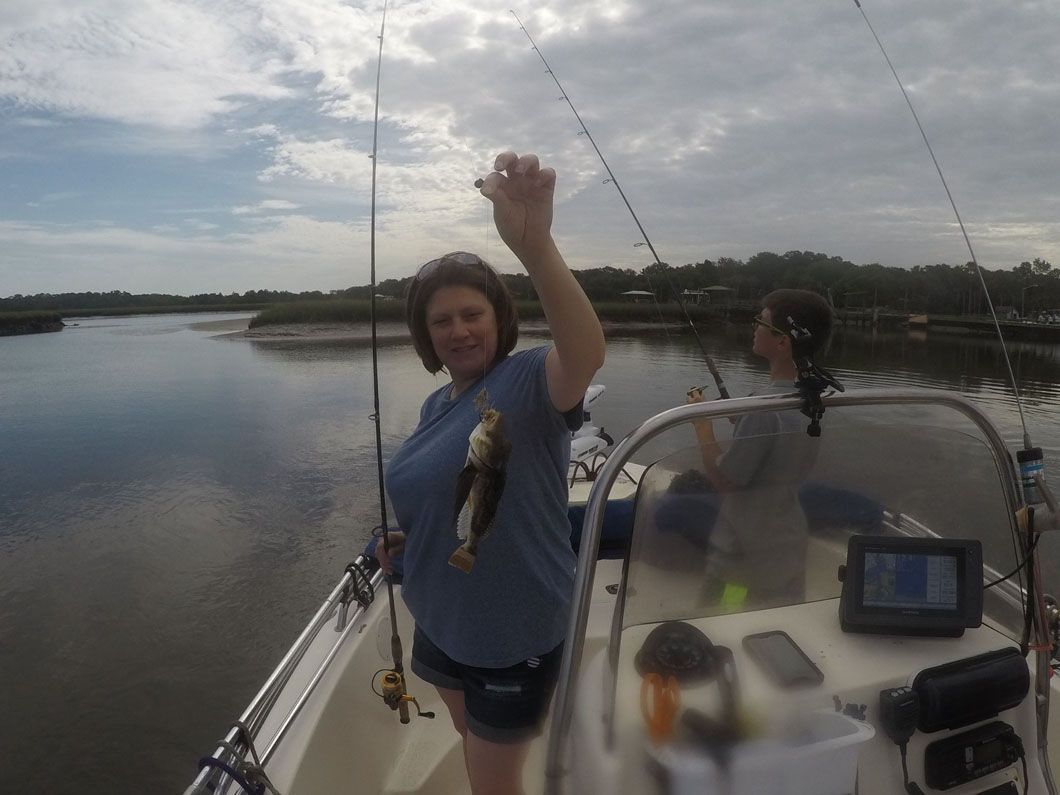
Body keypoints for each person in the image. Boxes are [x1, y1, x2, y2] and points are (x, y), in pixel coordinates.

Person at [377, 151, 605, 795]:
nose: (459, 330)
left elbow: (585, 353)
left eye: (471, 314)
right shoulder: (436, 404)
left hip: (512, 633)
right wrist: (415, 537)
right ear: (426, 335)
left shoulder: (530, 380)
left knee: (493, 781)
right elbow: (451, 491)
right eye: (441, 321)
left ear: (498, 319)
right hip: (440, 618)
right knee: (469, 736)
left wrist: (536, 247)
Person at [685, 289, 833, 610]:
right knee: (778, 626)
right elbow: (781, 445)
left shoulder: (763, 410)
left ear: (782, 342)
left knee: (723, 628)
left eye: (761, 321)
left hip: (742, 566)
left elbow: (725, 481)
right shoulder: (815, 400)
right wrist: (745, 420)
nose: (754, 326)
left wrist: (701, 423)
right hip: (788, 551)